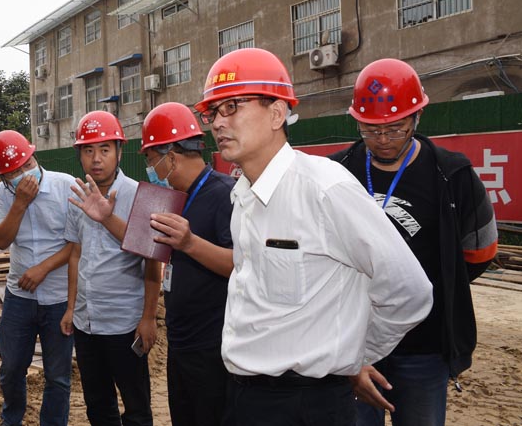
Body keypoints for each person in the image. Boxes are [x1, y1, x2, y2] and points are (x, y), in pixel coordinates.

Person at [193, 48, 433, 426]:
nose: (219, 123)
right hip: (244, 395)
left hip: (307, 405)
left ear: (277, 113)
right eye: (212, 113)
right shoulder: (242, 197)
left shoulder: (324, 188)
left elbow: (410, 290)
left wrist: (356, 355)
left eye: (232, 107)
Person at [330, 58, 498, 426]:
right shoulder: (335, 173)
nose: (383, 140)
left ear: (417, 117)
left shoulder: (452, 174)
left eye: (395, 129)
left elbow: (481, 250)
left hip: (424, 346)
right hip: (355, 342)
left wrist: (433, 285)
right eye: (371, 130)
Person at [139, 102, 235, 426]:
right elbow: (149, 250)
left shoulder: (225, 194)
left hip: (214, 348)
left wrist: (190, 243)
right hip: (181, 343)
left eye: (151, 160)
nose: (151, 170)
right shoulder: (173, 198)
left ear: (171, 158)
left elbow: (242, 265)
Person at [60, 111, 159, 426]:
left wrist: (148, 318)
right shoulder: (78, 196)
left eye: (104, 149)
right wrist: (71, 308)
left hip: (124, 323)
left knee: (136, 407)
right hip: (86, 323)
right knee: (98, 405)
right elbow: (75, 255)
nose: (96, 159)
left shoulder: (140, 194)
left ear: (119, 151)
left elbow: (152, 260)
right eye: (88, 150)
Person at [0, 130, 75, 426]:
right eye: (14, 172)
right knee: (11, 368)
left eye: (27, 164)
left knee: (58, 376)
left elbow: (77, 244)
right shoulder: (4, 194)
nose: (24, 175)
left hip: (58, 297)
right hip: (19, 298)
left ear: (35, 157)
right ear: (3, 177)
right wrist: (20, 204)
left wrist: (44, 268)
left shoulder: (66, 186)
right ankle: (11, 419)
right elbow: (1, 240)